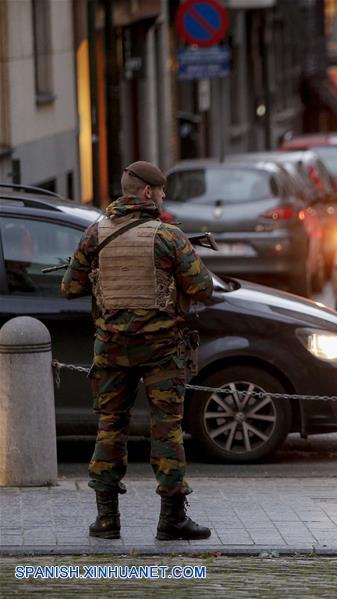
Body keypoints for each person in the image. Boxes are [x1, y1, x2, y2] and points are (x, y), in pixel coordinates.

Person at [61, 161, 214, 541]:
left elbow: (69, 287)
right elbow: (203, 288)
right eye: (160, 191)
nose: (162, 197)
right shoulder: (169, 236)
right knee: (166, 430)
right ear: (147, 192)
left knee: (110, 427)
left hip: (111, 348)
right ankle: (172, 519)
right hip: (162, 351)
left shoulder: (95, 234)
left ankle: (106, 520)